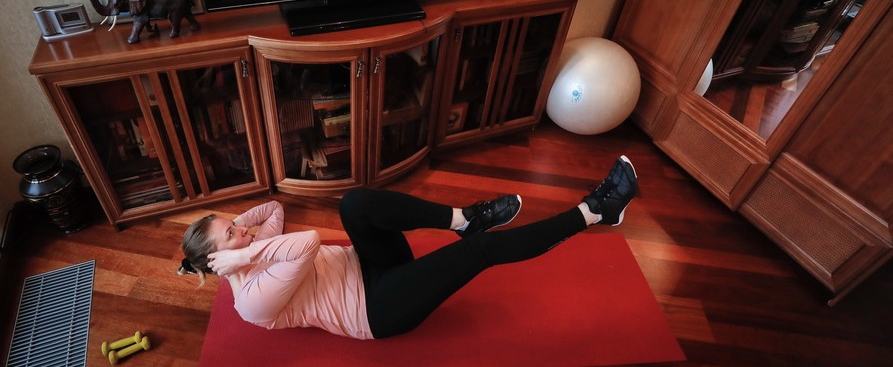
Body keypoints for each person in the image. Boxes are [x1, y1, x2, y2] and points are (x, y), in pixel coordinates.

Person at [179, 155, 638, 340]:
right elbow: (307, 244)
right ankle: (596, 211)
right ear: (221, 262)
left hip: (367, 264)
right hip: (375, 310)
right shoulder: (251, 303)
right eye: (231, 234)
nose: (242, 231)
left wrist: (238, 231)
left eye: (233, 226)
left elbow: (272, 210)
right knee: (479, 254)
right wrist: (244, 254)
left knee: (355, 204)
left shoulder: (251, 243)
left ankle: (462, 220)